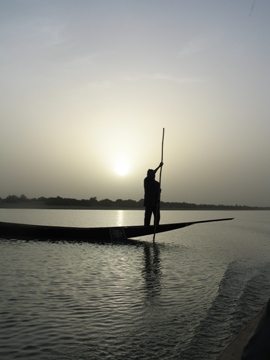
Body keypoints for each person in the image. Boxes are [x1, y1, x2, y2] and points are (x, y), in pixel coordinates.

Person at [143, 162, 163, 226]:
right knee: (147, 217)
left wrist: (159, 192)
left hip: (155, 203)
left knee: (157, 217)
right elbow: (151, 174)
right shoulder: (146, 180)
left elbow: (158, 194)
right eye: (152, 174)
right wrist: (159, 166)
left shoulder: (157, 183)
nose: (154, 175)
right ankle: (146, 227)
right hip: (149, 203)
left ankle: (156, 226)